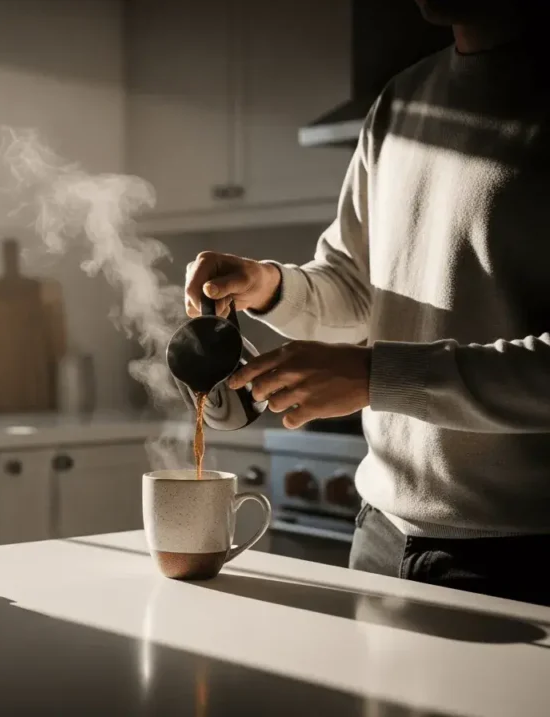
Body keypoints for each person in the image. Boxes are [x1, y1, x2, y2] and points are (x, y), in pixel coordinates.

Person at [184, 0, 550, 606]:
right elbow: (357, 289)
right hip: (381, 532)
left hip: (525, 550)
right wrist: (269, 286)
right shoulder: (402, 103)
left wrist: (380, 377)